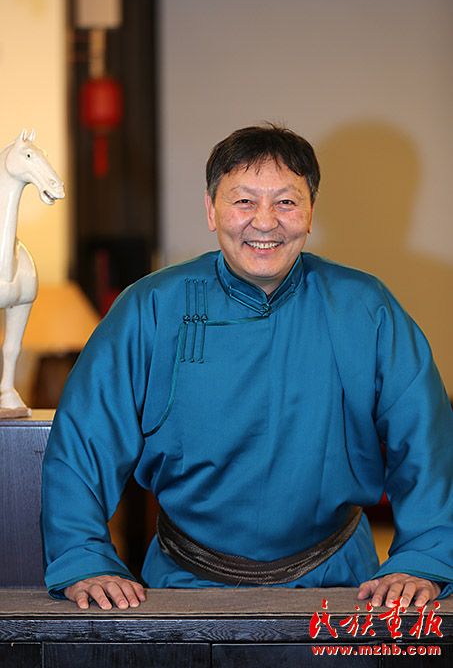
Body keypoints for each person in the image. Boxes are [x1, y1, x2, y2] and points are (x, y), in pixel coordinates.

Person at [41, 124, 453, 611]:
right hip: (182, 581)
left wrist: (423, 557)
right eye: (243, 201)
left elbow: (426, 440)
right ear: (211, 210)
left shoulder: (366, 307)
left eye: (286, 202)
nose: (265, 222)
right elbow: (83, 439)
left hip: (340, 580)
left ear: (311, 212)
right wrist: (83, 556)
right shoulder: (150, 306)